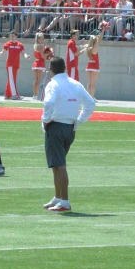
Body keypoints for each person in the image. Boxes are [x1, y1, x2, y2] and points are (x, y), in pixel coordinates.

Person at [41, 56, 96, 212]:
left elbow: (49, 102)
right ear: (64, 68)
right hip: (70, 127)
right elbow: (90, 104)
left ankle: (64, 201)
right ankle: (58, 197)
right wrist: (78, 121)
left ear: (51, 70)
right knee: (56, 164)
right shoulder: (76, 84)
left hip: (56, 126)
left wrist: (45, 120)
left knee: (59, 165)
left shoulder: (53, 84)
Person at [0, 31, 29, 100]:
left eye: (13, 36)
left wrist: (26, 56)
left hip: (16, 65)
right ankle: (14, 95)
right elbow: (3, 51)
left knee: (11, 80)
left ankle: (7, 95)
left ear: (16, 36)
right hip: (9, 64)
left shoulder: (20, 45)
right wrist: (1, 53)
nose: (11, 38)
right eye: (10, 36)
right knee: (12, 80)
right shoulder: (8, 44)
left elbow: (23, 53)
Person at [79, 24, 107, 98]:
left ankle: (88, 97)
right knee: (93, 84)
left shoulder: (88, 47)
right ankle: (92, 97)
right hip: (95, 66)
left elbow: (82, 46)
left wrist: (82, 44)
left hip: (89, 65)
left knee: (89, 84)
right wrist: (103, 31)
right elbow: (100, 39)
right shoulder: (95, 47)